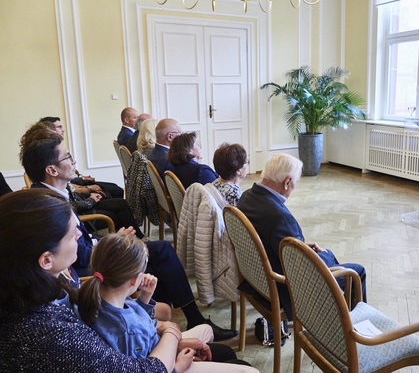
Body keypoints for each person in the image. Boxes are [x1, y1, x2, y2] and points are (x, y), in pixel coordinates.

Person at [20, 138, 237, 341]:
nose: (74, 160)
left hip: (91, 258)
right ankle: (184, 319)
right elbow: (79, 255)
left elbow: (80, 238)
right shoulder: (48, 204)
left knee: (158, 254)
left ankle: (158, 322)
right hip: (88, 270)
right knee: (162, 251)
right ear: (52, 170)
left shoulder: (52, 194)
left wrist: (114, 239)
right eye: (67, 157)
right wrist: (113, 242)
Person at [0, 189, 172, 371]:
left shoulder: (37, 293)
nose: (79, 235)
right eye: (71, 233)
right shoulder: (49, 332)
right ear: (46, 260)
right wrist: (172, 333)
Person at [78, 233, 258, 372]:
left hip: (157, 347)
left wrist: (144, 298)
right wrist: (178, 365)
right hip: (168, 364)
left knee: (207, 331)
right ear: (135, 280)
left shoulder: (101, 298)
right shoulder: (128, 330)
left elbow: (138, 325)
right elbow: (147, 362)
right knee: (247, 370)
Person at [237, 153, 367, 319]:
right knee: (356, 272)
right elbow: (304, 268)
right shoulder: (280, 217)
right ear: (287, 182)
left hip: (255, 280)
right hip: (284, 288)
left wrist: (300, 247)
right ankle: (354, 331)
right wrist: (325, 254)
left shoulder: (246, 197)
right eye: (296, 183)